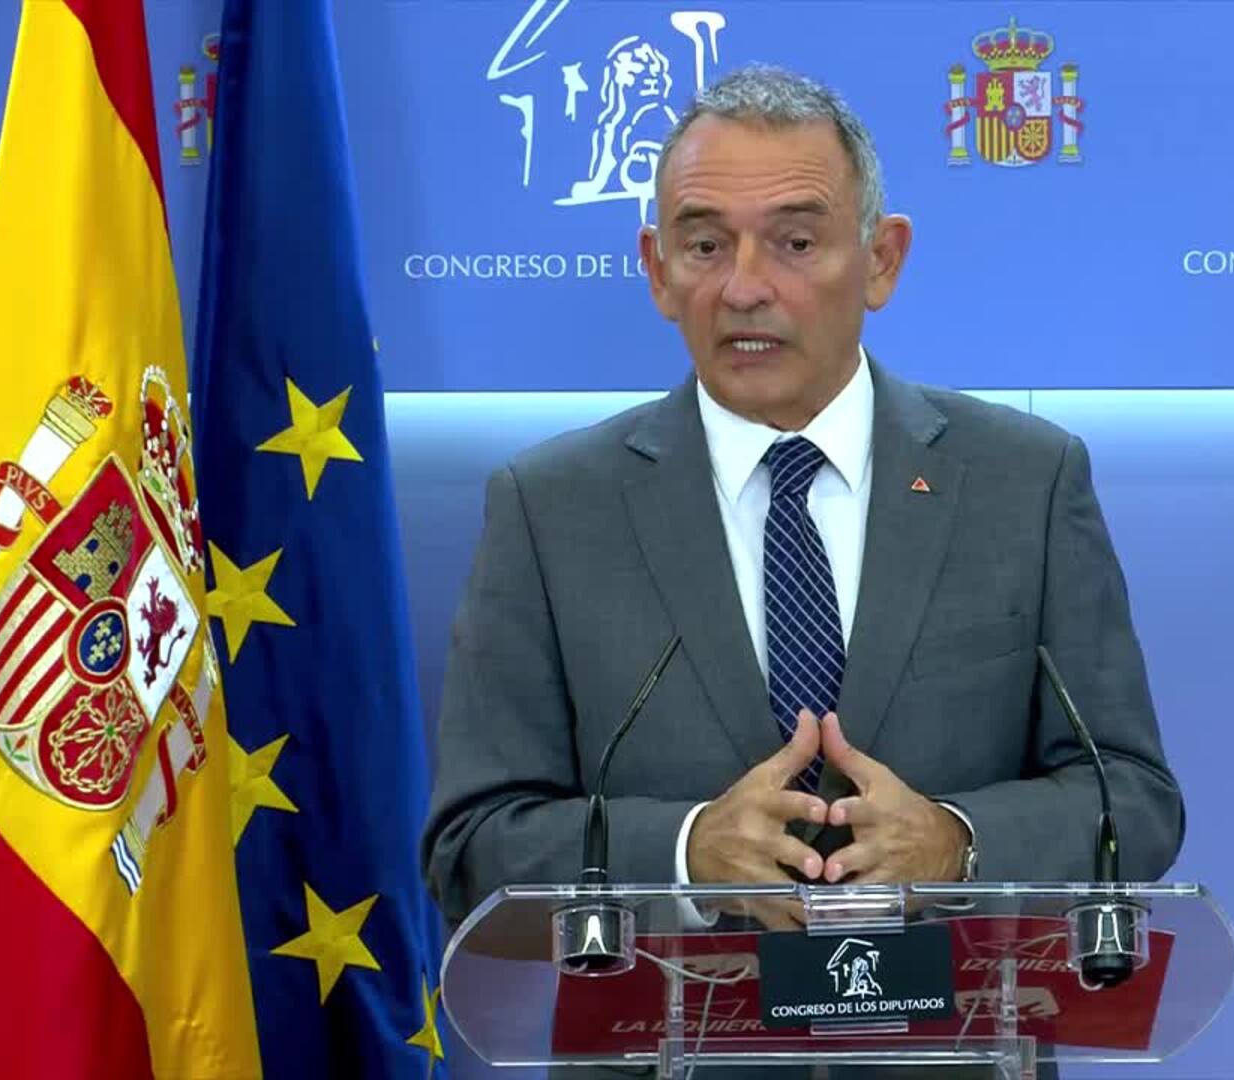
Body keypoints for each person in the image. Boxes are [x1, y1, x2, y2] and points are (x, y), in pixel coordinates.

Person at [422, 65, 1182, 931]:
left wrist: (958, 843)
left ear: (881, 260)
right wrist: (686, 854)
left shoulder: (1024, 483)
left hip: (953, 1015)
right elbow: (470, 851)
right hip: (673, 1018)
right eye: (705, 247)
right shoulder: (552, 510)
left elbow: (1134, 800)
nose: (745, 287)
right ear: (658, 271)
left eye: (794, 243)